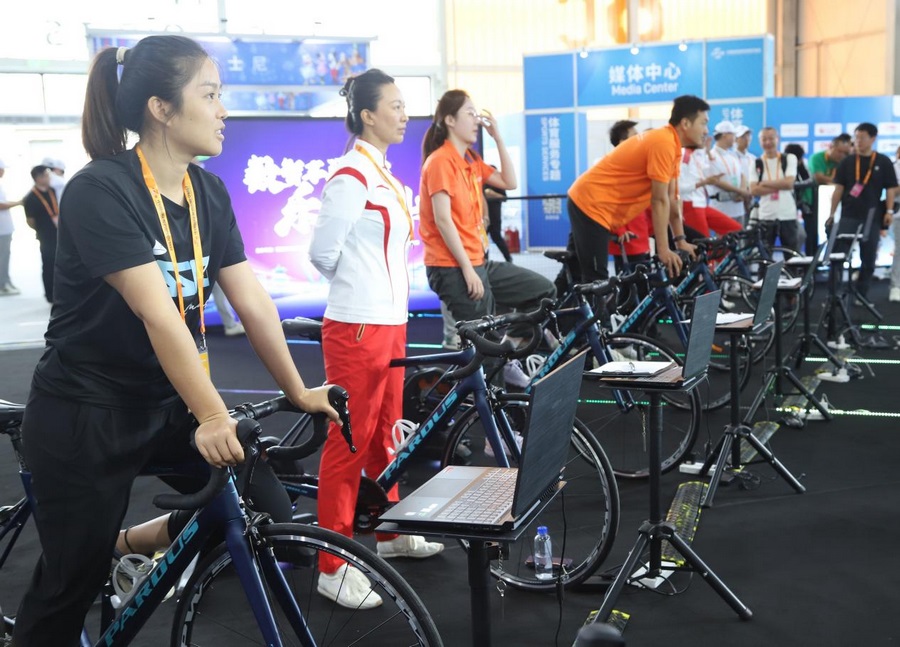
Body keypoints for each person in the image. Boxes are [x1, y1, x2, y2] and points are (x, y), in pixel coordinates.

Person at [12, 35, 340, 647]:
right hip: (86, 411)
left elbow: (251, 300)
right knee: (65, 592)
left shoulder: (206, 192)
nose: (223, 110)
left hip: (165, 402)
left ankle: (125, 544)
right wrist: (213, 414)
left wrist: (299, 391)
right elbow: (158, 314)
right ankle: (90, 559)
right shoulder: (100, 189)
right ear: (161, 108)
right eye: (209, 95)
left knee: (265, 507)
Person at [309, 68, 444, 610]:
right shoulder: (351, 175)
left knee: (387, 434)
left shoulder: (382, 172)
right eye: (395, 105)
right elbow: (322, 253)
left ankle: (389, 531)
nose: (404, 114)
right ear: (367, 115)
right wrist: (360, 290)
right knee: (348, 442)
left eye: (404, 105)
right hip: (357, 325)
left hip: (390, 323)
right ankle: (332, 564)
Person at [419, 90, 555, 359]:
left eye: (476, 113)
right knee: (487, 347)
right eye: (469, 113)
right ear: (450, 120)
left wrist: (498, 138)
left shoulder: (471, 160)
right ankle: (498, 369)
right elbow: (443, 220)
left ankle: (508, 349)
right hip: (453, 267)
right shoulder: (440, 161)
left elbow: (509, 182)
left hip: (478, 261)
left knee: (543, 291)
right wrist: (468, 270)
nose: (476, 120)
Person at [566, 94, 708, 284]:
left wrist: (680, 240)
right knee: (597, 281)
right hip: (591, 205)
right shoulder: (663, 142)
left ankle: (551, 300)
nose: (706, 130)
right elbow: (659, 200)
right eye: (703, 123)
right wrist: (664, 250)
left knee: (574, 272)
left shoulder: (672, 146)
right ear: (685, 123)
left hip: (593, 204)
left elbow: (672, 199)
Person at [827, 122, 898, 302]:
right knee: (837, 257)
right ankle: (834, 296)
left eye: (862, 138)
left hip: (872, 217)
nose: (858, 141)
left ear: (873, 138)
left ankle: (861, 295)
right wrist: (832, 213)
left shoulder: (883, 161)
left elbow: (890, 188)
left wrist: (889, 211)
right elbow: (838, 189)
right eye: (856, 137)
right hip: (848, 215)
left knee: (869, 258)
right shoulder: (847, 162)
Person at [680, 134, 741, 239]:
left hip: (701, 204)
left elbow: (703, 172)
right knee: (704, 242)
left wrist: (707, 152)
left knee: (735, 229)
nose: (706, 139)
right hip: (690, 205)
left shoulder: (696, 154)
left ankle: (717, 251)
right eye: (702, 137)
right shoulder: (684, 155)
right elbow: (679, 188)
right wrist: (704, 182)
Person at [749, 127, 800, 251]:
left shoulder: (789, 158)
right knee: (765, 255)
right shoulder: (756, 163)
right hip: (765, 216)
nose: (768, 142)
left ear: (777, 139)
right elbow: (754, 190)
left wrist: (764, 183)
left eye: (771, 138)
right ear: (759, 141)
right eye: (764, 139)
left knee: (791, 255)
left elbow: (789, 184)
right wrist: (780, 185)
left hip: (787, 214)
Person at [807, 133, 852, 255]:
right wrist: (839, 182)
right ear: (831, 147)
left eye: (845, 153)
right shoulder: (817, 158)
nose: (842, 155)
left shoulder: (846, 161)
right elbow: (819, 178)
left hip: (838, 206)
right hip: (813, 203)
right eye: (839, 151)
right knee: (813, 235)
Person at [21, 164, 59, 302]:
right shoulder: (30, 198)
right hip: (45, 236)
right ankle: (50, 295)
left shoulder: (52, 191)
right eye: (46, 175)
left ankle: (60, 292)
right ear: (38, 178)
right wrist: (41, 230)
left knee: (60, 263)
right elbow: (30, 221)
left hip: (58, 232)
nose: (49, 178)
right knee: (48, 264)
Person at [706, 120, 751, 226]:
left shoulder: (732, 155)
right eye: (733, 135)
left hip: (738, 208)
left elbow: (742, 175)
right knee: (723, 236)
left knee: (740, 235)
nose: (735, 138)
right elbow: (716, 181)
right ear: (725, 135)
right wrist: (740, 191)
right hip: (721, 208)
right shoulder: (711, 156)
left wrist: (742, 191)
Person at [0, 158, 22, 295]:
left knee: (5, 256)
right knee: (2, 257)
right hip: (1, 230)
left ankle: (6, 281)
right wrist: (19, 202)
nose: (3, 172)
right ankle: (2, 285)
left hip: (5, 228)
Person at [484, 166, 513, 262]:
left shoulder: (498, 184)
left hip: (495, 216)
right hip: (483, 216)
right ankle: (485, 260)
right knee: (483, 239)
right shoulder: (482, 183)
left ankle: (508, 258)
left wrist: (492, 194)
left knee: (496, 237)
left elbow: (504, 198)